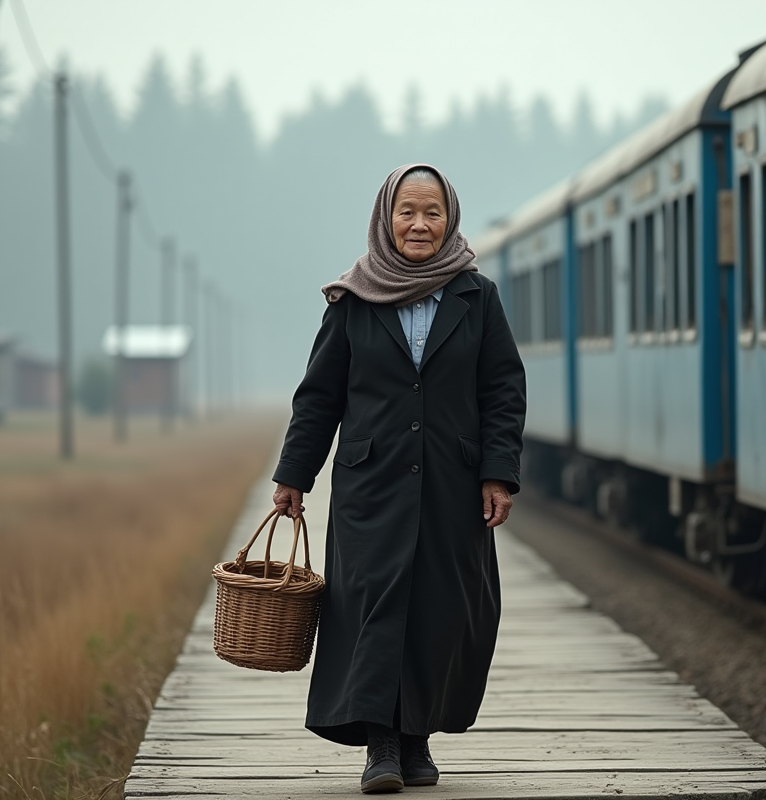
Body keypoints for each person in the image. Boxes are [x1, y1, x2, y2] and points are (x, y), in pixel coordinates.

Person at [271, 163, 526, 794]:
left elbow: (502, 389)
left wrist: (500, 473)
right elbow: (319, 395)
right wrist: (293, 476)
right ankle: (380, 745)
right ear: (386, 218)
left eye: (432, 212)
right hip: (371, 484)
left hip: (451, 485)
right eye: (406, 212)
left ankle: (418, 740)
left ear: (450, 218)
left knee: (439, 609)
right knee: (373, 606)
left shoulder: (476, 295)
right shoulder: (352, 299)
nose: (419, 224)